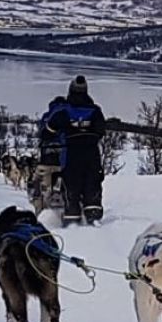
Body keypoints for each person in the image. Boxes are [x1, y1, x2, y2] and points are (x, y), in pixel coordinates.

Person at [45, 75, 106, 224]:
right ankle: (93, 212)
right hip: (91, 152)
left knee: (71, 183)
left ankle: (72, 216)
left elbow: (49, 129)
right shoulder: (95, 110)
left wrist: (61, 133)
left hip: (71, 152)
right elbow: (101, 130)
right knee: (92, 181)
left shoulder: (63, 110)